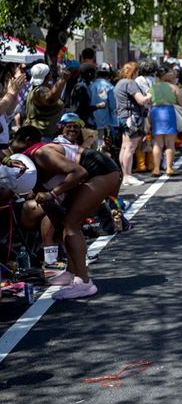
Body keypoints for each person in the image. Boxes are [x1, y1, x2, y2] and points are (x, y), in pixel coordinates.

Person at [11, 124, 121, 300]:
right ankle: (71, 272)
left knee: (72, 224)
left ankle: (84, 283)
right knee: (65, 224)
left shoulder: (41, 154)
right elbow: (55, 215)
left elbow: (79, 172)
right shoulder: (29, 171)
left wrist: (52, 193)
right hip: (91, 174)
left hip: (101, 170)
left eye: (13, 140)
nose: (10, 145)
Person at [114, 62, 151, 186]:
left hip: (122, 117)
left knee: (124, 147)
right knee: (130, 147)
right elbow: (141, 100)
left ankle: (125, 174)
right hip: (132, 118)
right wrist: (150, 95)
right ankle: (127, 176)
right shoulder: (130, 83)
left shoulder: (119, 84)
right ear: (134, 72)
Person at [149, 65, 182, 176]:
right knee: (170, 143)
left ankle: (156, 169)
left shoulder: (153, 87)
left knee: (157, 143)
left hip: (155, 112)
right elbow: (181, 103)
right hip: (169, 112)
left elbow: (149, 101)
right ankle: (169, 168)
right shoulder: (174, 88)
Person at [24, 62, 68, 138]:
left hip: (43, 135)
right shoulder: (39, 91)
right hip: (41, 137)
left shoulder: (36, 89)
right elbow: (51, 99)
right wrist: (62, 80)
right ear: (48, 75)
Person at [90, 63, 118, 149]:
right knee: (101, 142)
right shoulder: (109, 86)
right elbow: (113, 106)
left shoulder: (91, 84)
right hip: (103, 119)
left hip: (90, 118)